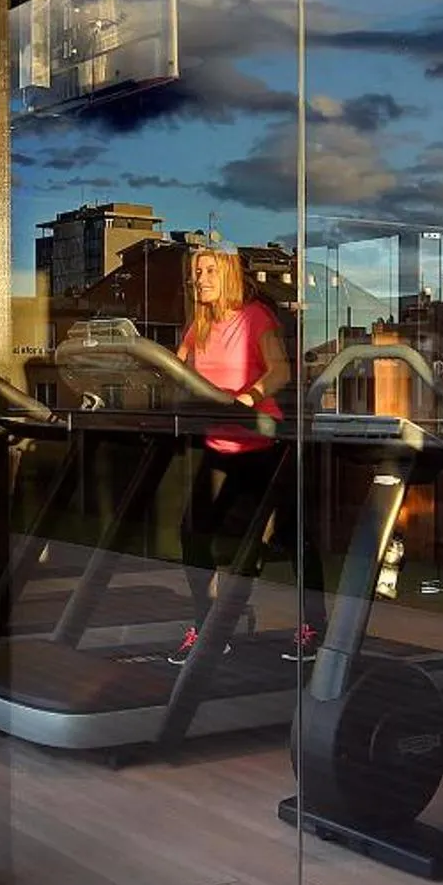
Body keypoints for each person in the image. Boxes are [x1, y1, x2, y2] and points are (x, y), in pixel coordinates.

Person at [173, 248, 294, 658]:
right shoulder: (199, 326)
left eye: (208, 271)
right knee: (193, 534)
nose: (200, 279)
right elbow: (175, 368)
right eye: (196, 272)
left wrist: (248, 397)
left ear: (227, 275)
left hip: (259, 445)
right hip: (219, 444)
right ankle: (207, 624)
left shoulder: (256, 316)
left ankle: (307, 627)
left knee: (255, 545)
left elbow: (281, 370)